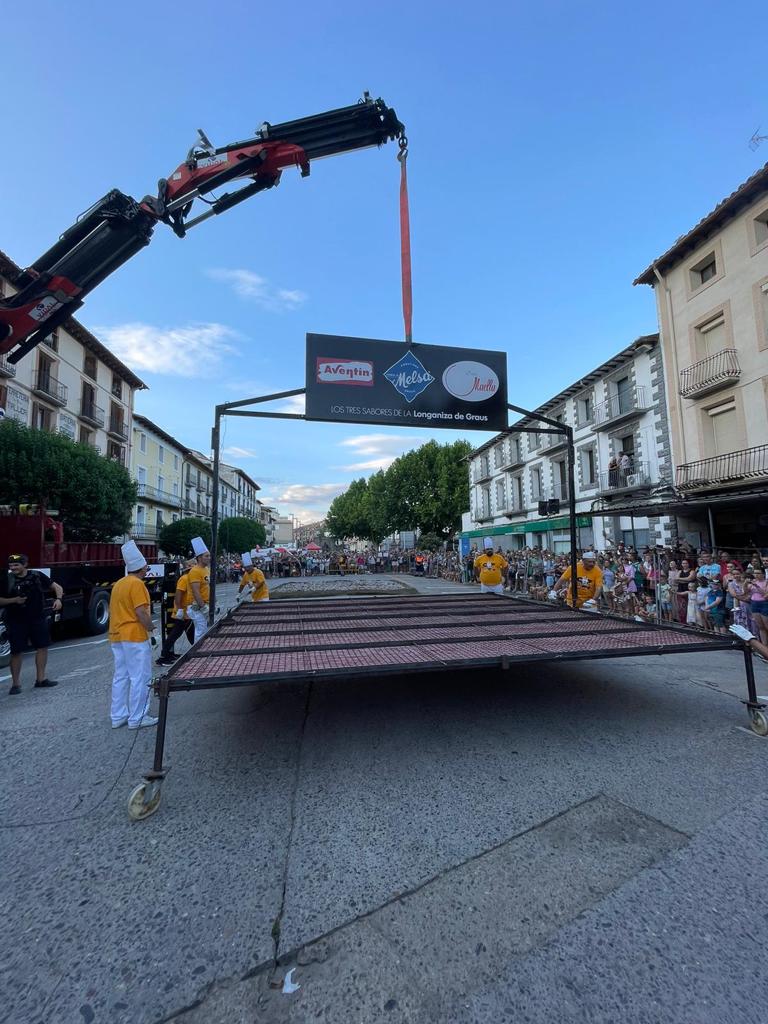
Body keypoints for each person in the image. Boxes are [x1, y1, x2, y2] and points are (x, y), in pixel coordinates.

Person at [109, 541, 157, 729]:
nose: (147, 570)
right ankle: (138, 717)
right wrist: (151, 629)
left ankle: (118, 715)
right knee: (140, 676)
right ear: (142, 567)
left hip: (116, 635)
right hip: (134, 635)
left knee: (121, 676)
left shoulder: (119, 584)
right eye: (146, 567)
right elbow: (141, 612)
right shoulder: (137, 584)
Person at [1, 553, 63, 694]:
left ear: (25, 565)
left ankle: (40, 680)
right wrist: (14, 600)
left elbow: (57, 587)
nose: (13, 568)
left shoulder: (37, 575)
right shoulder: (6, 579)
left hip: (37, 618)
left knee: (42, 647)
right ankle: (15, 685)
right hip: (15, 620)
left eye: (16, 565)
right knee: (16, 651)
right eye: (11, 565)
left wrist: (58, 599)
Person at [156, 558, 196, 667]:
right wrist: (179, 610)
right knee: (178, 635)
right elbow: (178, 595)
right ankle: (163, 657)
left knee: (183, 634)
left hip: (186, 612)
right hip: (182, 612)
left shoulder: (190, 578)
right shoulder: (184, 579)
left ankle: (165, 655)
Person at [187, 537, 211, 643]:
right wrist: (203, 607)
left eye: (209, 555)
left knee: (205, 631)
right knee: (201, 632)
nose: (209, 558)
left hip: (205, 604)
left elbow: (208, 587)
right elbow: (196, 591)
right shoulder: (195, 571)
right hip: (197, 607)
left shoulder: (206, 569)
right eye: (206, 556)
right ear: (199, 558)